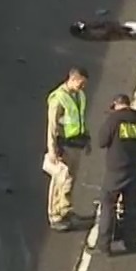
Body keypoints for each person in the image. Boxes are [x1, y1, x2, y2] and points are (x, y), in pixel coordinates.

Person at [92, 93, 136, 255]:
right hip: (134, 170)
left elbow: (101, 141)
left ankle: (104, 246)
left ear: (116, 104)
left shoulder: (113, 120)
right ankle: (131, 243)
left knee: (108, 206)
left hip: (115, 171)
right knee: (131, 208)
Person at [43, 67, 91, 232]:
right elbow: (52, 126)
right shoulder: (58, 99)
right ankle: (55, 214)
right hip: (63, 145)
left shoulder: (79, 95)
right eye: (81, 83)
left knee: (70, 179)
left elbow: (80, 118)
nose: (83, 87)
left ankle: (65, 209)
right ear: (73, 79)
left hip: (76, 143)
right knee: (60, 179)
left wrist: (87, 139)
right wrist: (52, 149)